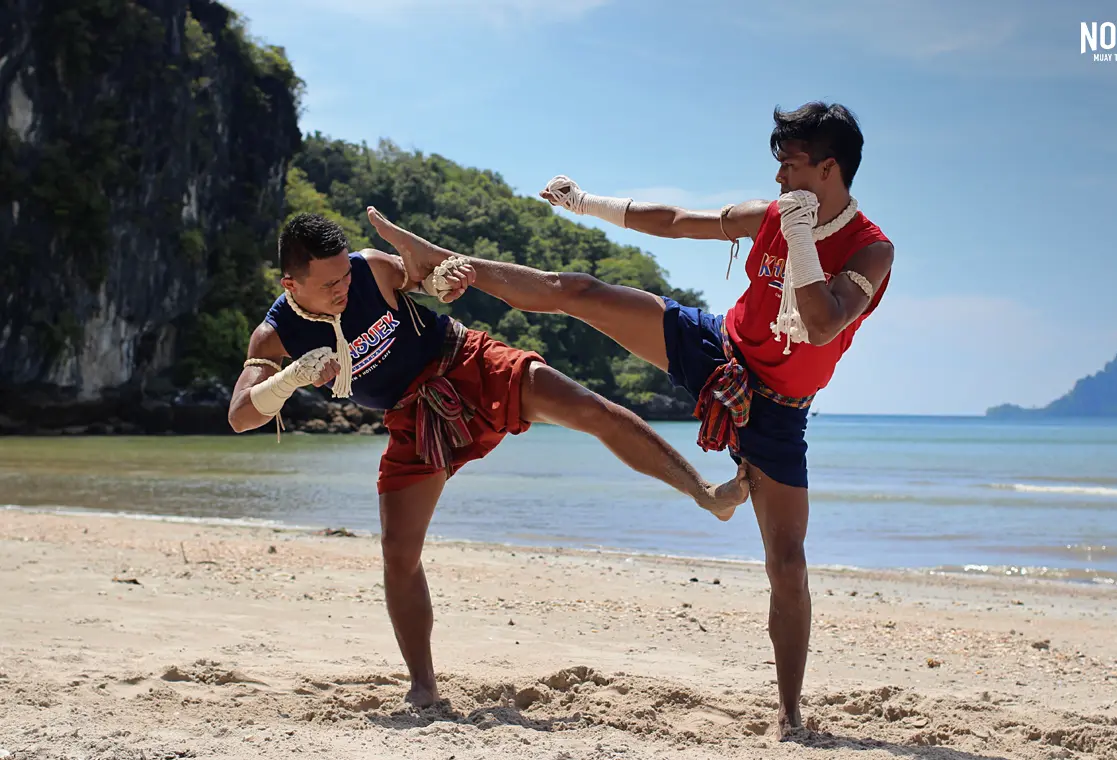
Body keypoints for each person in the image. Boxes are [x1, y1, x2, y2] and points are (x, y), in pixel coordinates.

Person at [363, 101, 894, 735]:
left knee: (786, 559)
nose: (779, 181)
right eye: (777, 167)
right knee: (582, 291)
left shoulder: (871, 251)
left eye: (791, 167)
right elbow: (674, 222)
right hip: (717, 350)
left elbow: (822, 321)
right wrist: (586, 201)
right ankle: (450, 263)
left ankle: (788, 714)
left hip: (778, 409)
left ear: (829, 168)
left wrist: (803, 236)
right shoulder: (774, 214)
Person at [226, 212, 751, 707]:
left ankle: (706, 494)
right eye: (329, 285)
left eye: (344, 276)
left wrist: (441, 282)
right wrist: (289, 378)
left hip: (464, 360)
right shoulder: (276, 335)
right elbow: (240, 416)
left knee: (593, 411)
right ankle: (423, 687)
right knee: (397, 555)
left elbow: (429, 278)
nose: (344, 288)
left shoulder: (370, 268)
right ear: (291, 285)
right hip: (412, 415)